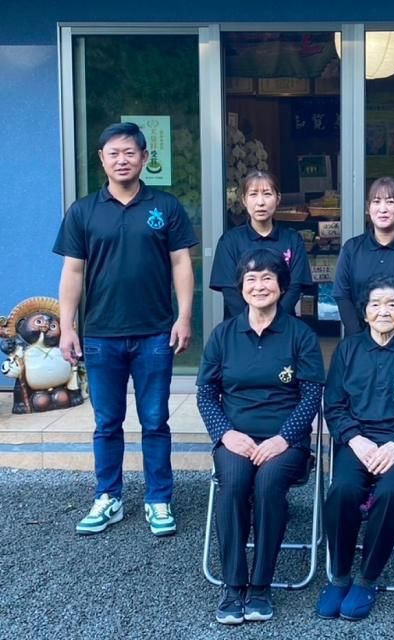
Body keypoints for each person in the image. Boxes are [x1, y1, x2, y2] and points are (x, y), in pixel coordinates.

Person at [53, 122, 198, 537]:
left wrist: (184, 316)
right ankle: (108, 497)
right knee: (107, 422)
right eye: (113, 153)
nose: (122, 160)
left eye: (130, 152)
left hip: (154, 332)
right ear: (102, 159)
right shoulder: (83, 211)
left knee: (155, 420)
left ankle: (158, 498)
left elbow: (181, 263)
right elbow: (73, 272)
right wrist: (67, 327)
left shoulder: (165, 207)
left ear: (145, 158)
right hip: (101, 334)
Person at [197, 248, 324, 625]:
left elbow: (312, 394)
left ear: (282, 286)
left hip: (287, 442)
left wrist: (284, 438)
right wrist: (225, 433)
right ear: (241, 287)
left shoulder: (300, 335)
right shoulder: (223, 335)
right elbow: (206, 393)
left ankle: (261, 586)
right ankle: (233, 585)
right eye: (251, 279)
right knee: (234, 482)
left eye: (268, 278)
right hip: (236, 437)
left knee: (268, 483)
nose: (259, 285)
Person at [316, 276, 394, 621]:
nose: (383, 311)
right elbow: (334, 404)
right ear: (365, 312)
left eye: (392, 304)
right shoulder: (348, 349)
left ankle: (366, 578)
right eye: (376, 304)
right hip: (357, 442)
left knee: (391, 493)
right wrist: (355, 439)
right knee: (342, 490)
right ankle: (339, 575)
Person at [333, 177, 394, 338]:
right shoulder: (351, 249)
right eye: (376, 201)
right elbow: (342, 296)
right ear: (368, 207)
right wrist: (361, 340)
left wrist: (392, 342)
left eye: (390, 202)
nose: (383, 209)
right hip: (359, 342)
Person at [210, 170, 313, 319]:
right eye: (253, 194)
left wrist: (274, 322)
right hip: (240, 325)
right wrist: (252, 322)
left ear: (278, 199)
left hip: (283, 325)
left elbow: (295, 287)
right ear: (244, 200)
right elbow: (230, 291)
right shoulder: (229, 241)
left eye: (267, 194)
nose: (260, 202)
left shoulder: (292, 239)